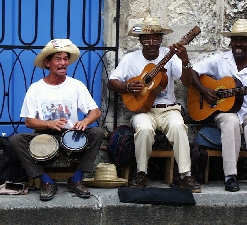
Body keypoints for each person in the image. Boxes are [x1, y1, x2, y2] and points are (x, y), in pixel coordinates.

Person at [107, 17, 201, 193]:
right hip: (142, 110)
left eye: (155, 38)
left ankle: (186, 175)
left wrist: (185, 59)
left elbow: (188, 82)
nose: (151, 43)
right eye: (146, 38)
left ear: (161, 39)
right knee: (143, 129)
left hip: (168, 109)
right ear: (140, 40)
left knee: (179, 127)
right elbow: (111, 82)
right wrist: (127, 87)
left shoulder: (170, 56)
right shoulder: (130, 59)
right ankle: (141, 173)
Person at [8, 39, 104, 201]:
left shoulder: (76, 85)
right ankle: (46, 181)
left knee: (98, 132)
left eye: (65, 59)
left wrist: (85, 121)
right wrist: (48, 124)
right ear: (47, 63)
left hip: (71, 135)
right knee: (15, 140)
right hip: (43, 136)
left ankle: (76, 179)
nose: (63, 63)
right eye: (58, 59)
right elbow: (29, 121)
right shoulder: (36, 88)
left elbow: (96, 111)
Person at [185, 19, 247, 193]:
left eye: (244, 40)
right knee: (230, 121)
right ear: (230, 41)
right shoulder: (220, 60)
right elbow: (192, 71)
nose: (239, 43)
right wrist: (203, 91)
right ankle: (230, 177)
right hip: (225, 112)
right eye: (235, 39)